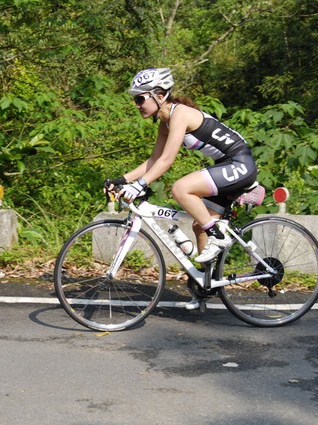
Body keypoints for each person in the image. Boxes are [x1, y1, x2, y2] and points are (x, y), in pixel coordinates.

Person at [106, 68, 258, 310]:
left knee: (181, 188)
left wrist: (140, 185)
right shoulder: (165, 123)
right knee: (200, 225)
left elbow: (167, 160)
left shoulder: (181, 114)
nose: (136, 105)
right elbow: (154, 160)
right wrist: (121, 179)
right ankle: (207, 286)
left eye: (139, 99)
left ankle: (218, 237)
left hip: (239, 163)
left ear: (159, 95)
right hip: (227, 166)